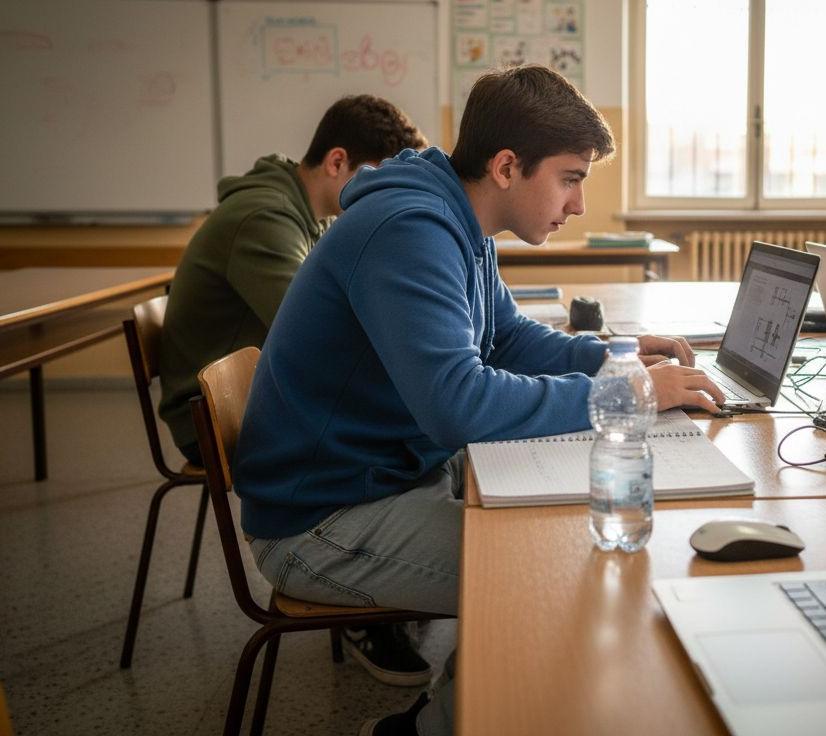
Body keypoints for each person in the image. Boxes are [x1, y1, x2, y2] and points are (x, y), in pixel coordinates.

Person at [231, 64, 725, 736]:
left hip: (386, 478)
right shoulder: (410, 228)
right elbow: (457, 405)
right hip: (319, 521)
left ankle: (445, 711)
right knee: (554, 579)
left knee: (555, 540)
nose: (578, 203)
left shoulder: (455, 218)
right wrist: (629, 391)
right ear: (506, 167)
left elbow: (508, 339)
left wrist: (619, 356)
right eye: (571, 178)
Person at [156, 94, 430, 686]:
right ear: (337, 161)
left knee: (412, 426)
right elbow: (313, 326)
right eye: (376, 179)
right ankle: (365, 597)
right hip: (209, 420)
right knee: (398, 420)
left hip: (264, 400)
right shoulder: (265, 218)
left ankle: (388, 572)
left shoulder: (302, 212)